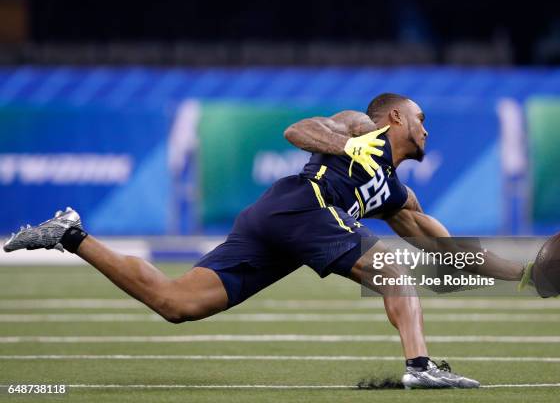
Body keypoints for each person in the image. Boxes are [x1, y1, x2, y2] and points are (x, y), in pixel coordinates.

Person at [3, 93, 530, 389]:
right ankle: (420, 368)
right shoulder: (360, 126)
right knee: (390, 261)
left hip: (284, 227)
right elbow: (297, 131)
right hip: (299, 204)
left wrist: (523, 273)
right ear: (394, 117)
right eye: (421, 119)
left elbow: (446, 248)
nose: (426, 130)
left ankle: (70, 234)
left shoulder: (396, 193)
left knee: (178, 303)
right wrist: (347, 143)